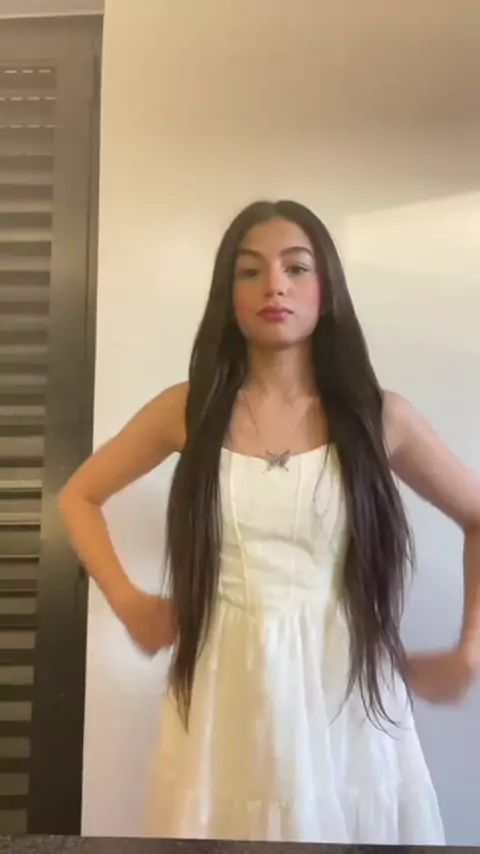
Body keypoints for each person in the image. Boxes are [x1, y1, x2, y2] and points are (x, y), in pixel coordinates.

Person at [59, 200, 480, 844]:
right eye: (250, 271)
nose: (274, 285)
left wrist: (470, 650)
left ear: (326, 290)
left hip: (349, 691)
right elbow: (79, 497)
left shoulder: (379, 416)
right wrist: (129, 601)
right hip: (226, 691)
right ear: (228, 295)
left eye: (296, 268)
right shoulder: (190, 409)